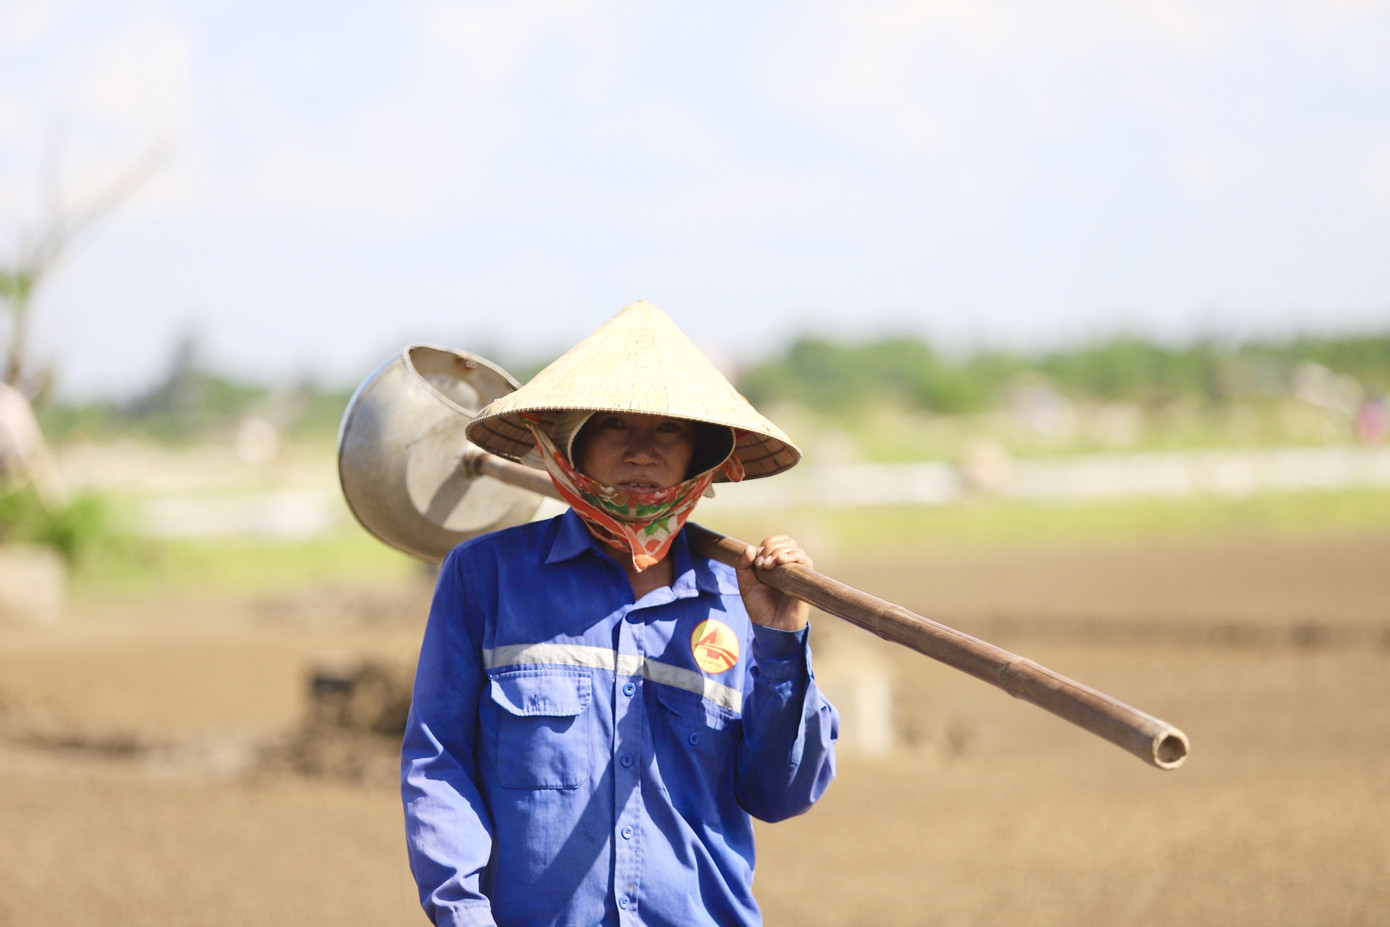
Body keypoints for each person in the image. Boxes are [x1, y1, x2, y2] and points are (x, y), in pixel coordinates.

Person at [401, 300, 839, 926]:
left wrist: (780, 638)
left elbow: (780, 795)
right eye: (613, 426)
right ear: (570, 446)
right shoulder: (487, 577)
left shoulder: (742, 597)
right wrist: (462, 913)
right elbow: (437, 761)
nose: (642, 452)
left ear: (702, 453)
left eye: (668, 430)